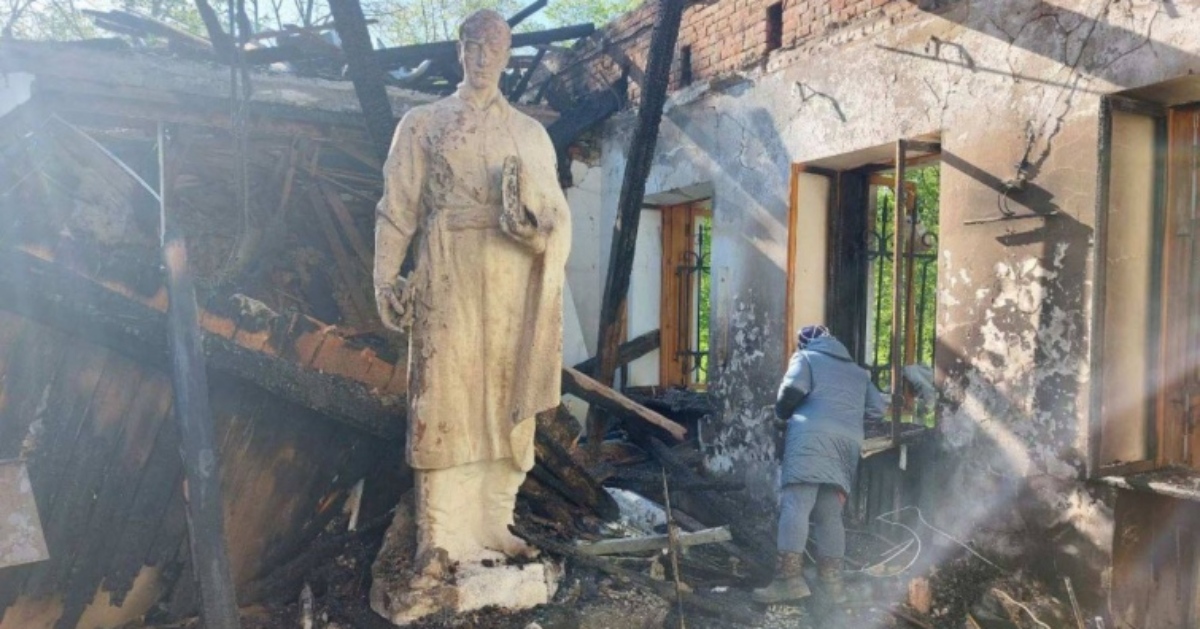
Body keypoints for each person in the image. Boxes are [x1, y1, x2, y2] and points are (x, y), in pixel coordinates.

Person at [373, 9, 571, 569]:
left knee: (506, 397)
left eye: (494, 49)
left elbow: (556, 216)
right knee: (442, 395)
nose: (483, 59)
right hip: (446, 270)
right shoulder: (424, 123)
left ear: (507, 57)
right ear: (459, 50)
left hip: (511, 279)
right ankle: (437, 534)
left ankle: (495, 523)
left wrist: (536, 235)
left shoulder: (529, 133)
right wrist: (385, 278)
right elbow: (397, 209)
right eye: (474, 47)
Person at [753, 325, 885, 604]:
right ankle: (832, 586)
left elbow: (793, 388)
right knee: (829, 514)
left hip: (810, 440)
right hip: (846, 446)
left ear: (804, 343)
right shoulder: (858, 372)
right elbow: (877, 409)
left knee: (796, 505)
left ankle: (788, 581)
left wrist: (781, 413)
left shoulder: (806, 357)